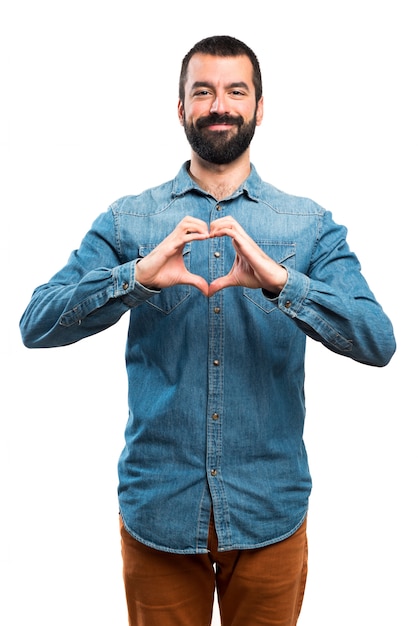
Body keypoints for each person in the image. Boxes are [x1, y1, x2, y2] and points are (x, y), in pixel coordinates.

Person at [20, 35, 396, 626]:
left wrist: (281, 283)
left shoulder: (308, 225)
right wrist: (135, 277)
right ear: (181, 109)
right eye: (203, 91)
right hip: (159, 512)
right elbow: (36, 323)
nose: (219, 105)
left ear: (259, 106)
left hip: (270, 512)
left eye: (235, 91)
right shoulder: (130, 220)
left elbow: (378, 341)